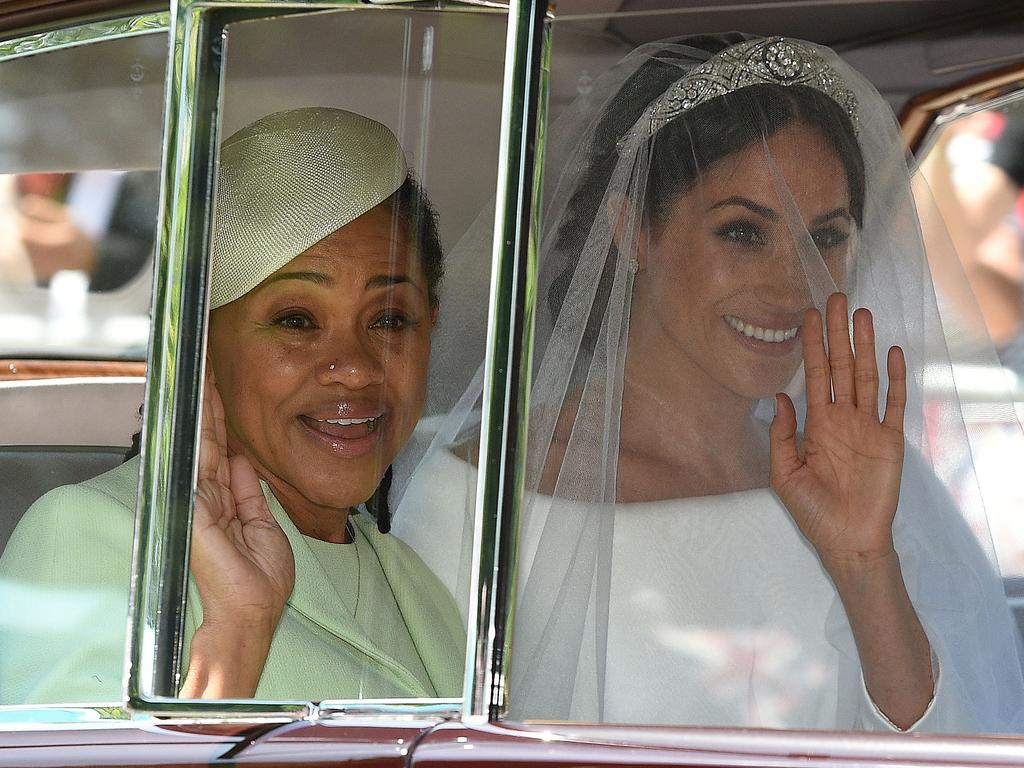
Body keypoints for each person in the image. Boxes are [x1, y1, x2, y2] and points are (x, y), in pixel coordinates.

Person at [392, 35, 1024, 733]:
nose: (793, 286)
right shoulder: (478, 503)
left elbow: (956, 743)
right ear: (632, 229)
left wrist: (866, 562)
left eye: (826, 237)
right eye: (743, 234)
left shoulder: (872, 486)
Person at [0, 107, 463, 704]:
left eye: (390, 319)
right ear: (200, 347)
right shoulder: (97, 534)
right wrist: (237, 632)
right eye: (297, 319)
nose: (354, 366)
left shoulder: (415, 585)